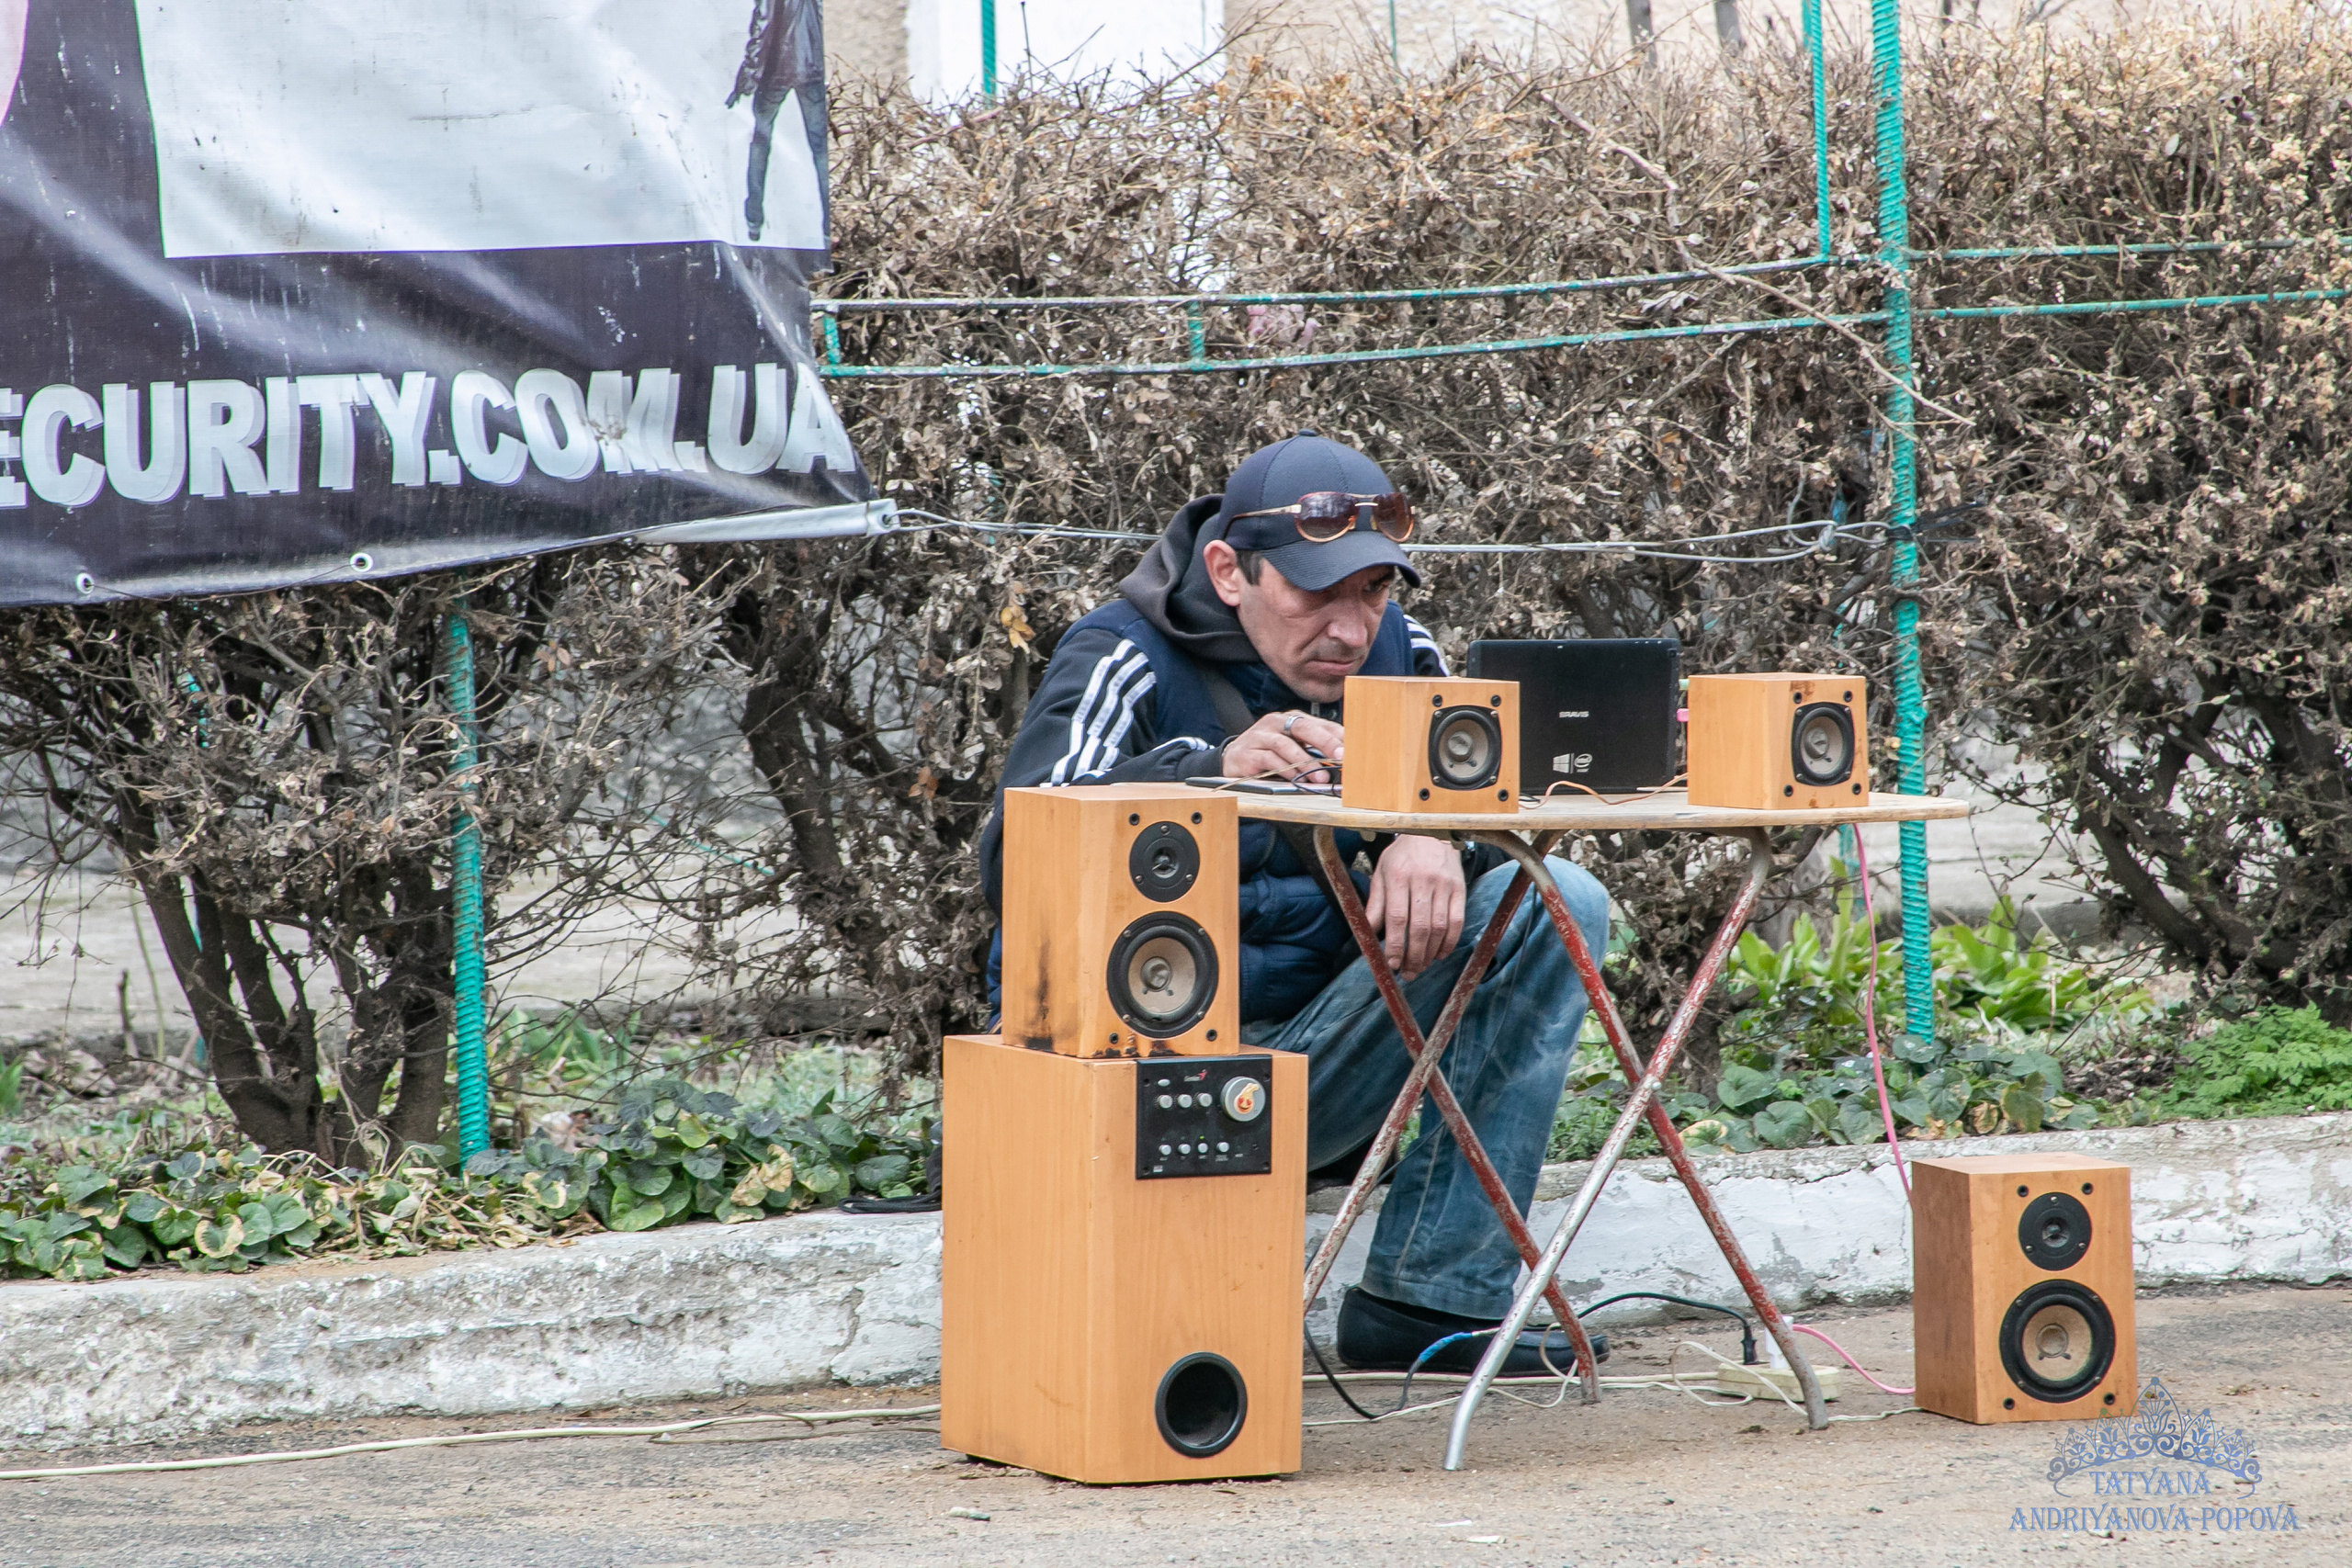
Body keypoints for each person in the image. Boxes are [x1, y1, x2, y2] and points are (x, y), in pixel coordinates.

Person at [979, 432, 1612, 1376]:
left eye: (1374, 591)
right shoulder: (1120, 653)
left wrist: (1428, 830)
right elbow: (1010, 860)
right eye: (1318, 593)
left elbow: (1491, 796)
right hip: (1151, 1088)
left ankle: (1429, 1302)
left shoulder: (1402, 653)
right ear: (1230, 571)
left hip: (1327, 1065)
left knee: (1557, 897)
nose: (1352, 629)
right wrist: (1202, 775)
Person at [727, 0, 823, 243]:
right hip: (812, 66)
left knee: (761, 139)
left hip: (778, 69)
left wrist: (746, 78)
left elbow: (763, 25)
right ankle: (827, 230)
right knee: (821, 149)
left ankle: (754, 220)